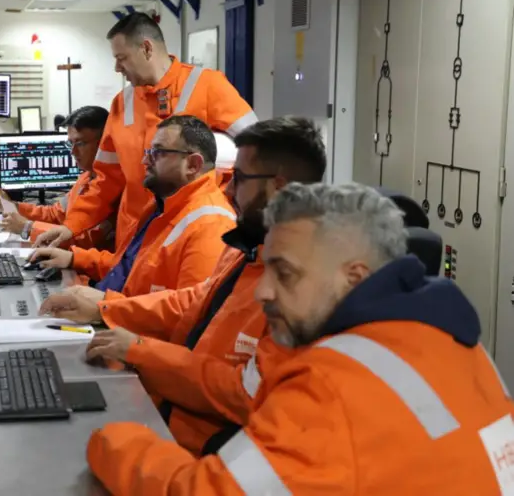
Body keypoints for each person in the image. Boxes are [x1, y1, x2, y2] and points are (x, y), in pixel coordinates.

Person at [86, 182, 514, 495]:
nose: (263, 291)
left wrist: (112, 438)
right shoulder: (458, 345)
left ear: (355, 278)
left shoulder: (332, 384)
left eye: (285, 273)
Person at [39, 116, 326, 455]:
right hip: (171, 413)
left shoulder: (301, 288)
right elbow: (193, 302)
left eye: (240, 178)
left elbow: (246, 394)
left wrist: (138, 349)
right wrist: (106, 309)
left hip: (203, 449)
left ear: (277, 186)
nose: (230, 188)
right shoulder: (251, 249)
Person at [34, 12, 257, 250]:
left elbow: (260, 151)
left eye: (122, 58)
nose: (117, 67)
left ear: (147, 49)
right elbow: (106, 179)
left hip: (192, 234)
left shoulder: (207, 86)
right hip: (134, 238)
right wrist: (72, 226)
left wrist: (226, 198)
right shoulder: (122, 103)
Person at [33, 115, 236, 298]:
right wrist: (74, 258)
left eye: (158, 152)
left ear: (193, 165)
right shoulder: (160, 206)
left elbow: (186, 316)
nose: (144, 160)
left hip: (122, 328)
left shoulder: (211, 226)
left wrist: (104, 305)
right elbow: (129, 269)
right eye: (149, 151)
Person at [0, 106, 115, 249]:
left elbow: (84, 241)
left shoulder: (112, 187)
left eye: (80, 143)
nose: (72, 151)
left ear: (104, 143)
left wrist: (27, 228)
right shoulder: (86, 176)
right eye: (70, 143)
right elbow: (55, 215)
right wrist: (11, 205)